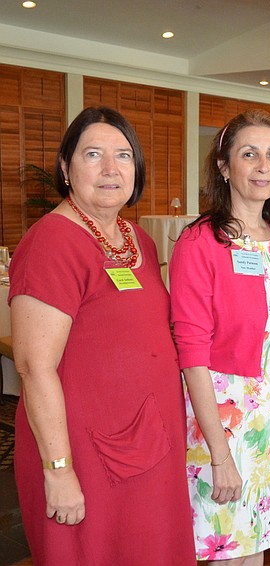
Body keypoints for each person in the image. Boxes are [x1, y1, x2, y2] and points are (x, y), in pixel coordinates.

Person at [10, 106, 195, 564]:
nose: (111, 169)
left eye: (124, 156)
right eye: (93, 154)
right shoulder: (52, 242)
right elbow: (35, 368)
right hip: (84, 456)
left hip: (149, 445)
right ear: (65, 169)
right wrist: (59, 471)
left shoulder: (139, 241)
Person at [169, 109, 270, 564]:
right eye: (250, 155)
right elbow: (191, 353)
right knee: (224, 547)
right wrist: (220, 453)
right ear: (225, 167)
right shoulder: (200, 242)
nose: (263, 166)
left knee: (256, 544)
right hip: (220, 419)